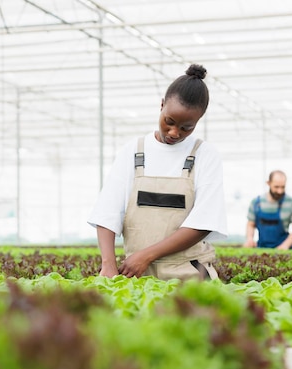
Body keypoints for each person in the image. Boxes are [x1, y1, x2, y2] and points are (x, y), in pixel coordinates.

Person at [88, 64, 227, 281]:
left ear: (198, 121)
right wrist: (108, 264)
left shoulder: (204, 155)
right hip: (135, 272)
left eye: (186, 128)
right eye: (169, 122)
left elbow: (203, 223)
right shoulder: (133, 150)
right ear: (161, 105)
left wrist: (147, 255)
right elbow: (108, 211)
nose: (174, 132)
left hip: (189, 272)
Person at [243, 170, 292, 249]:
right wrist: (250, 239)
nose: (280, 191)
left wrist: (285, 245)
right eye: (276, 187)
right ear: (268, 183)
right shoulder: (256, 203)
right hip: (261, 248)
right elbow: (250, 224)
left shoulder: (291, 203)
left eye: (283, 187)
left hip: (283, 249)